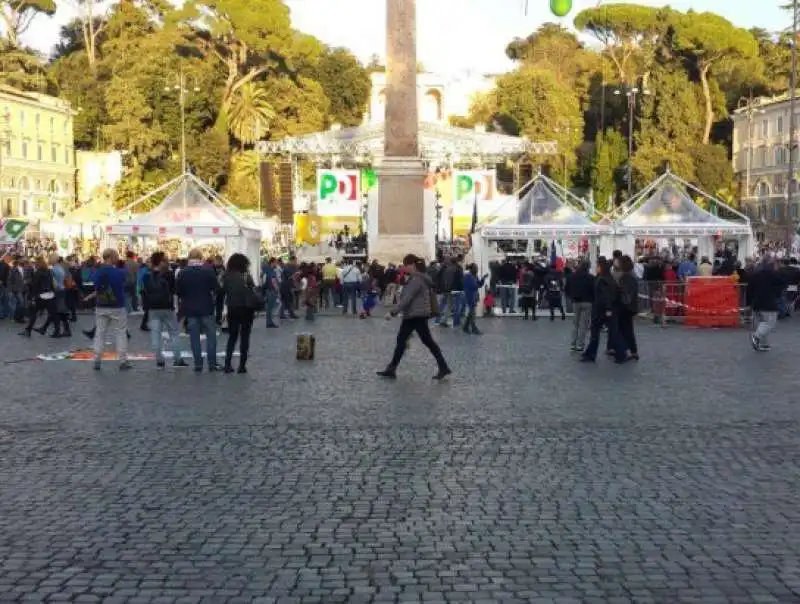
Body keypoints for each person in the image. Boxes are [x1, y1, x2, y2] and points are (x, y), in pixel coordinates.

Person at [377, 254, 451, 380]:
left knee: (417, 341)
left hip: (415, 315)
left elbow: (407, 298)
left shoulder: (416, 280)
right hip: (416, 314)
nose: (404, 268)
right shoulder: (417, 278)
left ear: (412, 265)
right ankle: (392, 368)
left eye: (406, 265)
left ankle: (443, 367)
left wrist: (393, 312)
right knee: (411, 340)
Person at [85, 249, 131, 371]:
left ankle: (97, 359)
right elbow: (125, 282)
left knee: (100, 333)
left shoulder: (97, 272)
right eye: (116, 255)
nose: (117, 257)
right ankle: (122, 360)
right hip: (117, 306)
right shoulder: (120, 272)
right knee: (121, 333)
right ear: (111, 257)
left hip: (101, 306)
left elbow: (94, 283)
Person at [176, 248, 220, 372]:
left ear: (189, 258)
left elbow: (179, 291)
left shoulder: (183, 273)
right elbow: (216, 288)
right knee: (211, 337)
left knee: (194, 338)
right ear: (201, 257)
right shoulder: (208, 271)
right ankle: (212, 364)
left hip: (191, 310)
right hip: (207, 308)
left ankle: (198, 364)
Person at [143, 251, 187, 369]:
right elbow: (175, 291)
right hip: (168, 308)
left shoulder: (147, 275)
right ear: (162, 261)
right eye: (166, 259)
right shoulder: (169, 275)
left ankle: (159, 360)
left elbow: (145, 293)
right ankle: (177, 359)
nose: (168, 261)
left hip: (153, 309)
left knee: (155, 335)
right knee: (174, 334)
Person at [221, 253, 256, 374]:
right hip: (246, 309)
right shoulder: (247, 276)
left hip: (232, 308)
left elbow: (222, 292)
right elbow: (253, 290)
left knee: (232, 336)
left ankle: (227, 364)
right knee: (245, 337)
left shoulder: (226, 276)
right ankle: (242, 365)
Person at [580, 258, 619, 363]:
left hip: (601, 310)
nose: (596, 268)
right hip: (603, 309)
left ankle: (591, 354)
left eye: (597, 266)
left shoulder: (602, 279)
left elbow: (605, 296)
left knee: (596, 332)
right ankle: (618, 352)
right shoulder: (605, 278)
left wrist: (608, 308)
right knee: (610, 331)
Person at [748, 257, 785, 351]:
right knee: (769, 323)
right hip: (768, 302)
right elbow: (782, 283)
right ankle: (756, 337)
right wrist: (776, 293)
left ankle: (763, 344)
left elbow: (750, 289)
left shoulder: (754, 274)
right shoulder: (772, 274)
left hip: (756, 303)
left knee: (761, 323)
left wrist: (749, 303)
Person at [20, 256, 55, 338]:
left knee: (33, 313)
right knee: (52, 313)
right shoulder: (49, 271)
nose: (34, 264)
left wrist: (32, 297)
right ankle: (43, 328)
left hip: (40, 296)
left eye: (35, 263)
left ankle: (28, 331)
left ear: (38, 263)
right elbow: (51, 283)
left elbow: (34, 286)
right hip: (49, 295)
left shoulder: (38, 273)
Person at [614, 255, 640, 363]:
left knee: (623, 330)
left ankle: (624, 352)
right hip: (630, 307)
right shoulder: (631, 276)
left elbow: (625, 293)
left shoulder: (626, 277)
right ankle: (633, 351)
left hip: (624, 307)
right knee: (628, 329)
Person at [565, 260, 594, 352]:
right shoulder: (591, 278)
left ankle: (573, 343)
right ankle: (580, 344)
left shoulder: (572, 276)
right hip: (588, 302)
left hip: (576, 302)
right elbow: (594, 290)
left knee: (575, 324)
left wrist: (572, 296)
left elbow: (567, 289)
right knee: (583, 325)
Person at [462, 263, 486, 335]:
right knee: (473, 313)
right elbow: (474, 286)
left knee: (471, 313)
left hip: (474, 296)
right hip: (470, 296)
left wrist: (483, 279)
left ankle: (465, 327)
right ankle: (474, 328)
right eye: (476, 268)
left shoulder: (474, 276)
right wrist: (477, 284)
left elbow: (479, 285)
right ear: (471, 269)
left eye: (477, 268)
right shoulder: (468, 276)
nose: (477, 269)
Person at [261, 257, 280, 328]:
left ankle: (269, 322)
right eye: (275, 262)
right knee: (270, 308)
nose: (276, 264)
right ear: (272, 262)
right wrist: (277, 289)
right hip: (271, 290)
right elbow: (273, 281)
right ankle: (269, 322)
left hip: (268, 290)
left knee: (270, 307)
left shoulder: (266, 270)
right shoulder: (270, 270)